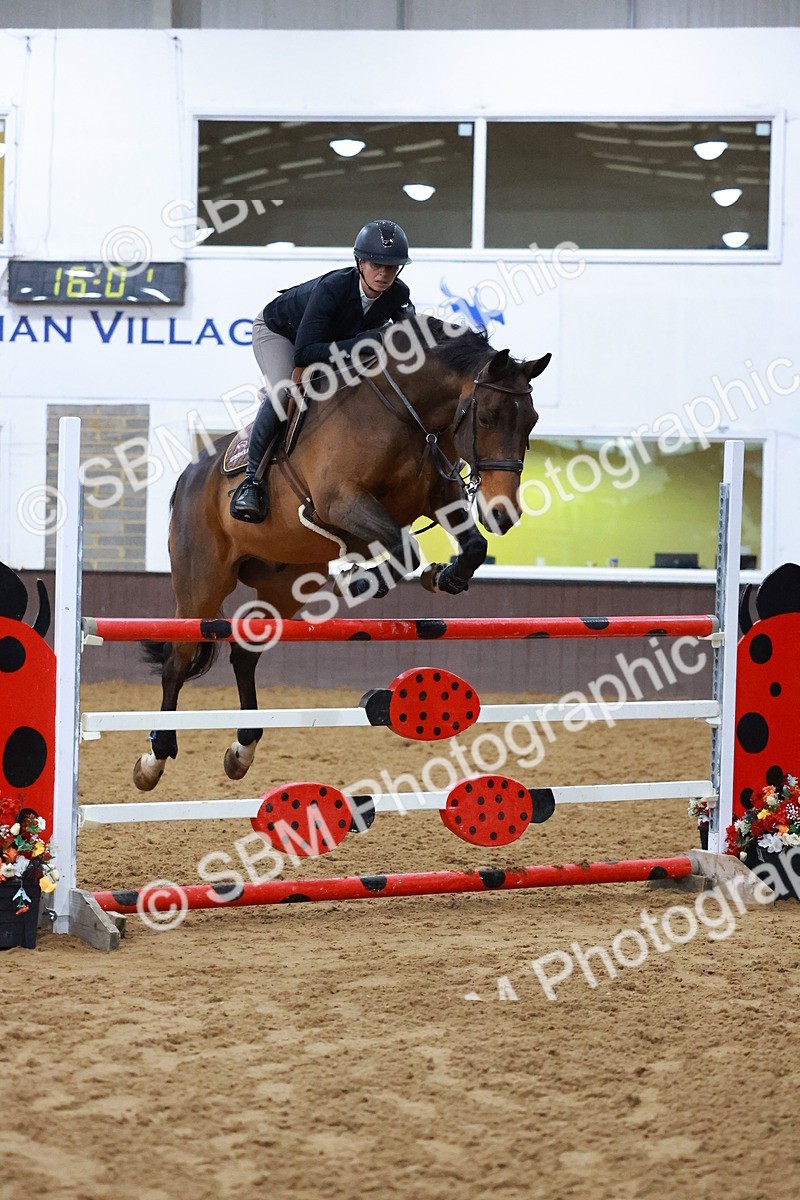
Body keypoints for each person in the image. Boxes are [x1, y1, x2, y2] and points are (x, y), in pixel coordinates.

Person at [230, 218, 414, 522]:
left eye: (391, 267)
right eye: (375, 265)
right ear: (359, 262)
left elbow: (408, 339)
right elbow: (305, 353)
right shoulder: (333, 289)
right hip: (281, 334)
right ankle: (251, 482)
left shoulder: (397, 294)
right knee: (283, 392)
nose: (383, 274)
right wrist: (361, 342)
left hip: (331, 341)